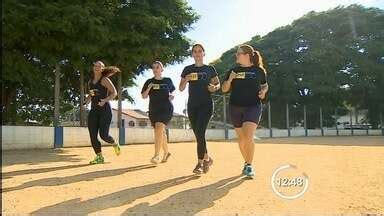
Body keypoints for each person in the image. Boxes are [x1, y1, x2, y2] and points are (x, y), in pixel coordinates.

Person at [222, 44, 269, 178]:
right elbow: (224, 89)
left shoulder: (258, 71)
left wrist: (263, 92)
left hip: (253, 106)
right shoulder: (233, 70)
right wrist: (230, 79)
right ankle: (246, 162)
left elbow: (264, 84)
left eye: (239, 53)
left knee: (248, 136)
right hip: (235, 107)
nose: (236, 56)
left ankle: (249, 165)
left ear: (247, 55)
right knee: (242, 139)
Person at [179, 44, 221, 174]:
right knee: (198, 135)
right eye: (195, 51)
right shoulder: (187, 69)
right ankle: (207, 158)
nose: (197, 53)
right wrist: (186, 79)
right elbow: (180, 88)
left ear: (204, 53)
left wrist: (214, 88)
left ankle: (200, 163)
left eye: (199, 51)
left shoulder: (210, 69)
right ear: (192, 54)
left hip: (206, 105)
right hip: (192, 106)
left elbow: (217, 84)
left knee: (200, 133)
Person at [84, 61, 121, 164]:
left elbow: (114, 93)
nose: (96, 67)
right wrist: (85, 102)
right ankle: (99, 157)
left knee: (104, 135)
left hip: (105, 111)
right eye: (95, 65)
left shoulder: (105, 80)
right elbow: (91, 95)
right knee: (92, 135)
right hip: (94, 111)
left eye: (99, 66)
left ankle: (114, 144)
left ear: (102, 69)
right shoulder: (90, 82)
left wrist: (105, 100)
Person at [141, 61, 175, 164]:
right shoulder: (149, 82)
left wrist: (172, 95)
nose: (155, 69)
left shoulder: (167, 80)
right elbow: (144, 96)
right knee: (160, 131)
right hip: (154, 109)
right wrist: (149, 87)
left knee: (159, 128)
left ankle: (156, 155)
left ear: (162, 69)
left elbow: (172, 90)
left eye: (157, 67)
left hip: (166, 108)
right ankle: (166, 152)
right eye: (153, 68)